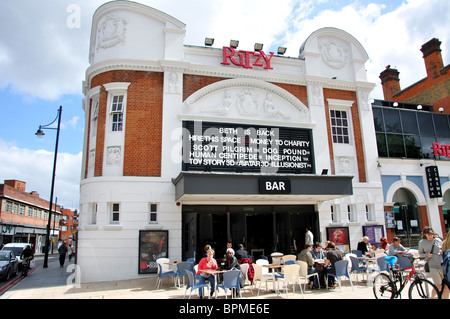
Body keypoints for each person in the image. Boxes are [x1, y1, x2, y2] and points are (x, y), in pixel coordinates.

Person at [418, 227, 448, 299]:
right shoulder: (422, 242)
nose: (431, 236)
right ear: (425, 234)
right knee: (438, 285)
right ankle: (432, 297)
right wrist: (426, 255)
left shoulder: (437, 240)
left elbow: (444, 249)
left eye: (432, 234)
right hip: (433, 266)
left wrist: (443, 251)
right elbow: (420, 253)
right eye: (429, 235)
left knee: (446, 285)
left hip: (442, 265)